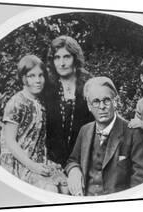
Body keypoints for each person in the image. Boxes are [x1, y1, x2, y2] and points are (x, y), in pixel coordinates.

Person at [65, 77, 143, 196]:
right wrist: (74, 170)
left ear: (115, 102)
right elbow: (72, 160)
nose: (102, 106)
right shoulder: (85, 130)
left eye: (106, 100)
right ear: (89, 106)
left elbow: (141, 180)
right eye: (96, 101)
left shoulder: (135, 133)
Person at [0, 55, 67, 193]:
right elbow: (9, 141)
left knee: (66, 186)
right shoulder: (16, 103)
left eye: (41, 75)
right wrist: (32, 165)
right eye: (32, 76)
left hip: (39, 159)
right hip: (19, 161)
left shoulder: (41, 102)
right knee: (50, 189)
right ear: (23, 78)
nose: (38, 80)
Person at [45, 35, 94, 167]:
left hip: (84, 157)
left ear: (75, 58)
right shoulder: (47, 87)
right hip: (52, 159)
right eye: (57, 57)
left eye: (66, 57)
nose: (61, 63)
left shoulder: (88, 85)